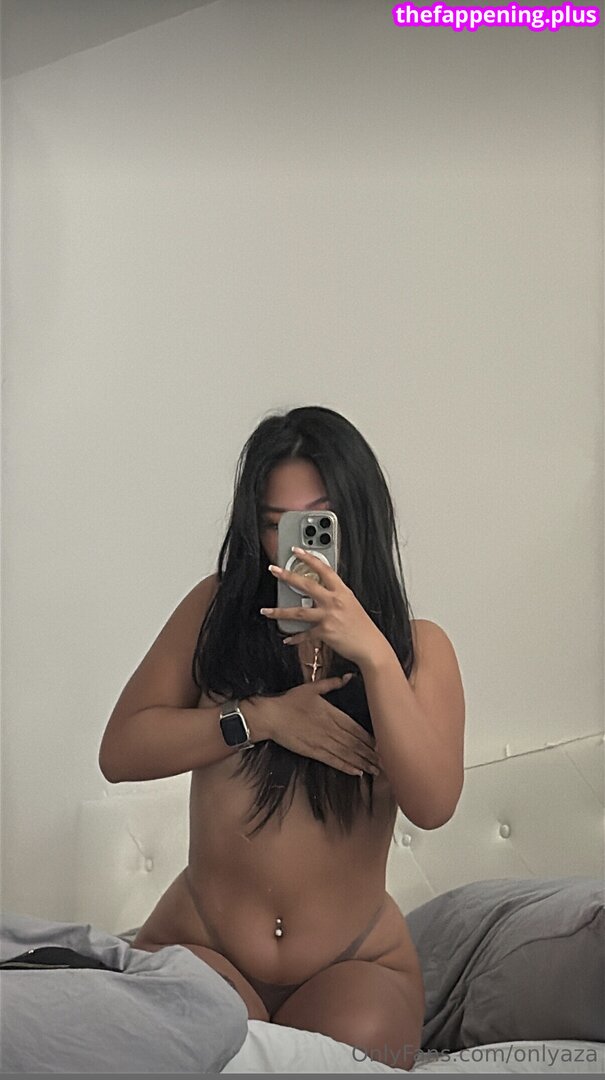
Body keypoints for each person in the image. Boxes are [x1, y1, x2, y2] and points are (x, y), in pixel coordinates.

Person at [98, 405, 465, 1070]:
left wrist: (373, 654)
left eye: (318, 521)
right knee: (188, 1040)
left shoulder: (418, 648)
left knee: (341, 1053)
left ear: (360, 517)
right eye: (276, 524)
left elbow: (433, 803)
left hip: (354, 961)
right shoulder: (214, 611)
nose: (298, 547)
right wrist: (260, 719)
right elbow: (121, 751)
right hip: (203, 944)